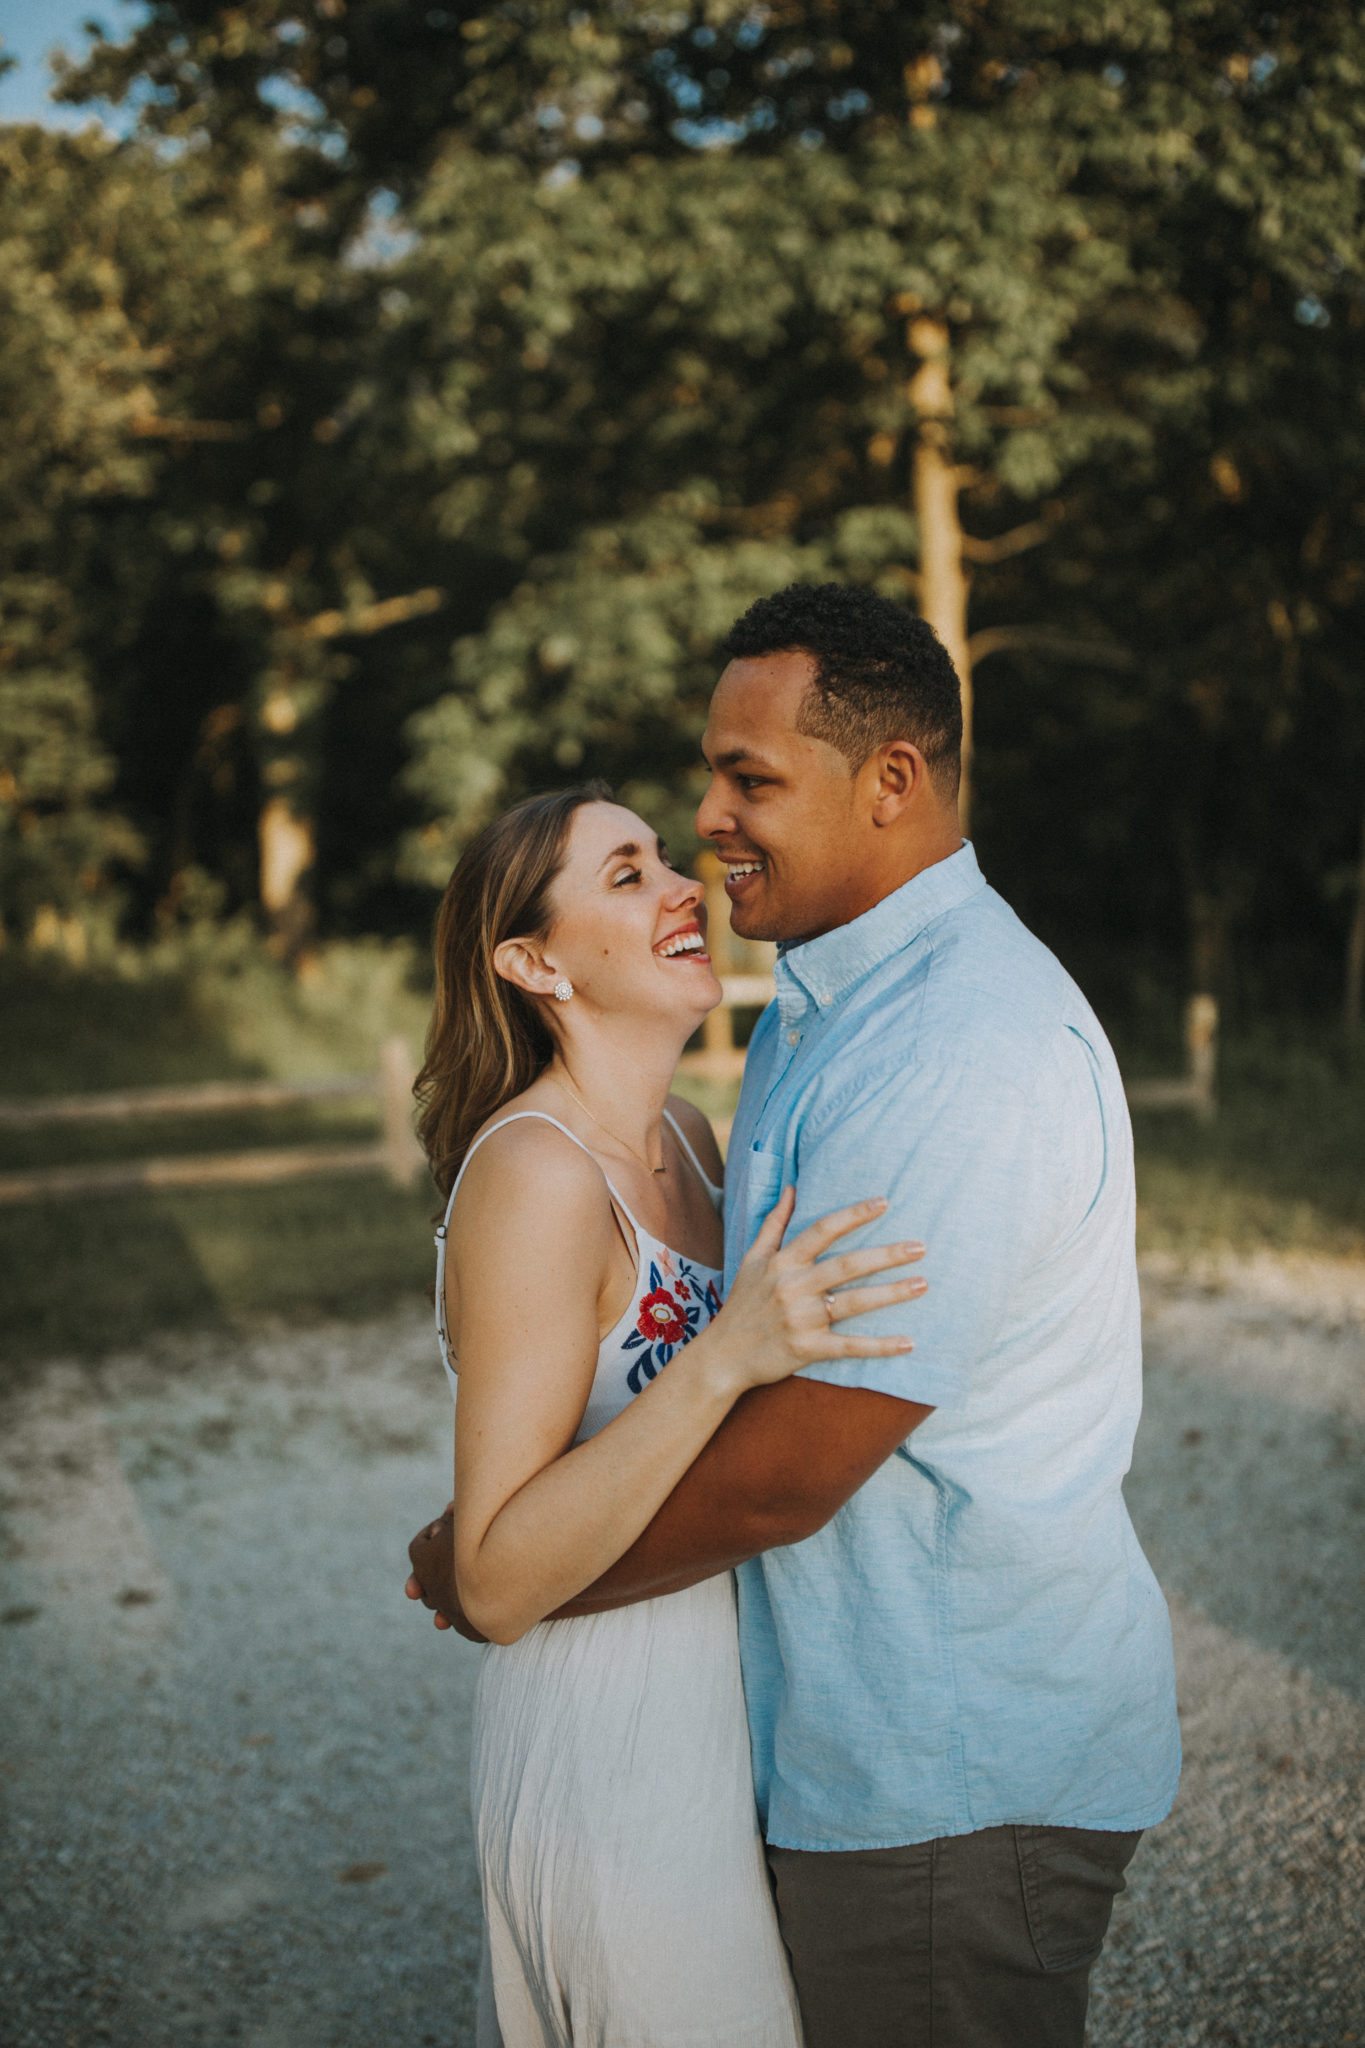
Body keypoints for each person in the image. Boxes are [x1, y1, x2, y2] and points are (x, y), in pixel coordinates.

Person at [410, 583, 1182, 2047]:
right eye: (690, 799)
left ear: (890, 780)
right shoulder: (817, 1018)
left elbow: (786, 1470)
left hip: (941, 1763)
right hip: (759, 1740)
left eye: (746, 779)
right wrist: (508, 1542)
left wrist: (491, 1569)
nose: (705, 826)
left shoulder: (953, 1047)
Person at [415, 778, 928, 2046]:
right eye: (626, 874)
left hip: (730, 1724)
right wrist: (721, 1360)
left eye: (660, 857)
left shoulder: (694, 1137)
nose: (681, 884)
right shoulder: (536, 1172)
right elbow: (494, 1579)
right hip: (608, 1745)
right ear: (535, 963)